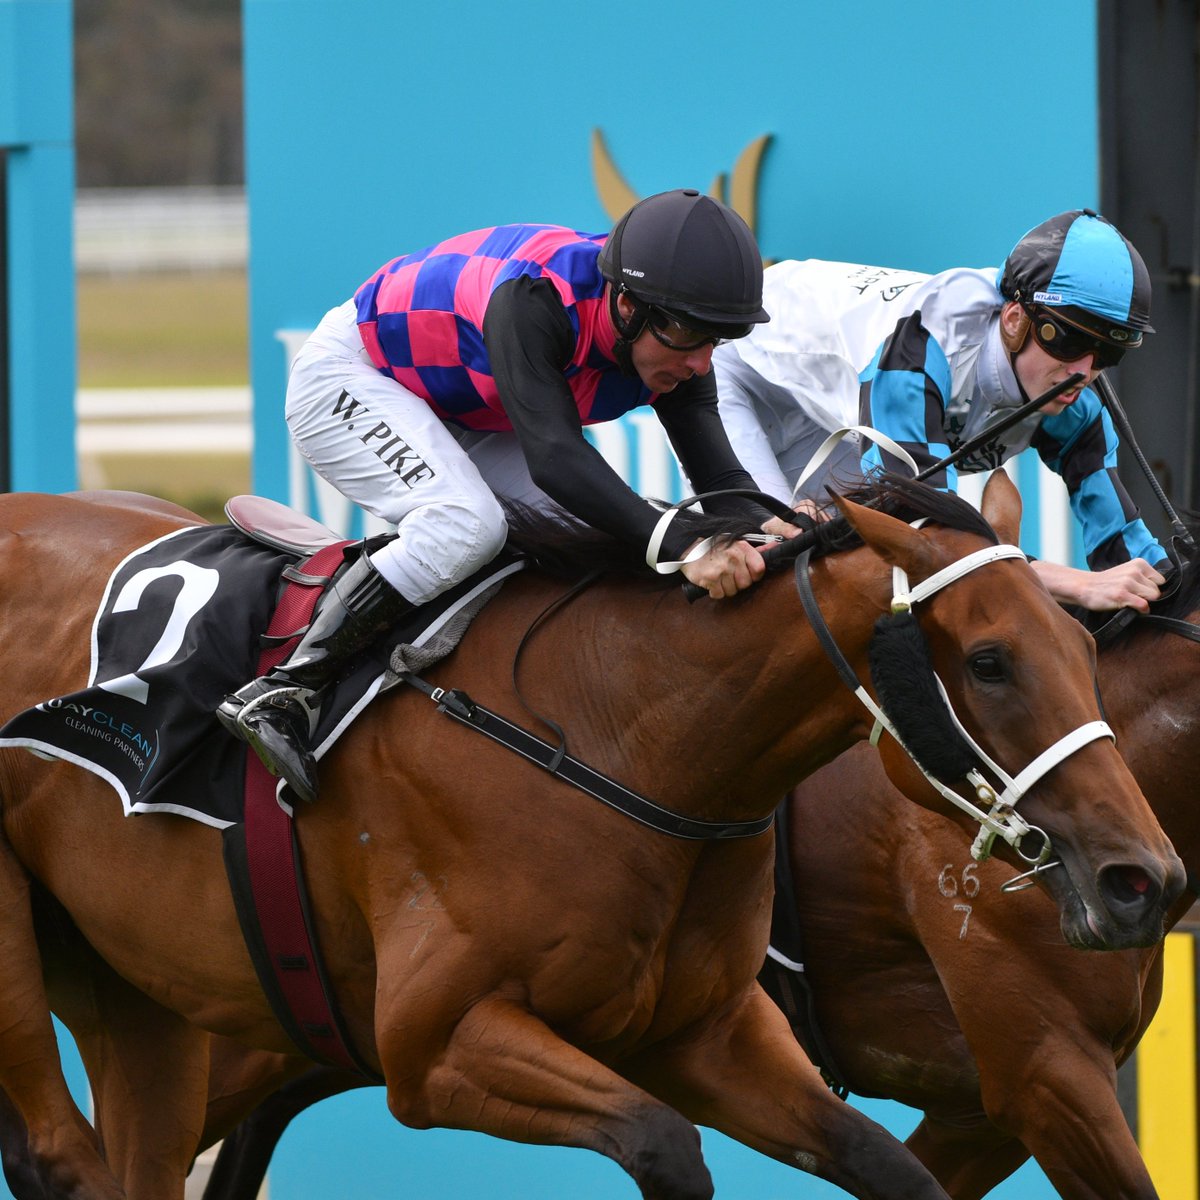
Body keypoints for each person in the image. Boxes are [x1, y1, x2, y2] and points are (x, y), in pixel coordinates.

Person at [217, 188, 795, 803]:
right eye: (690, 336)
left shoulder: (671, 347)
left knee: (595, 532)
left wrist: (780, 531)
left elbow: (725, 485)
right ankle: (285, 689)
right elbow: (555, 460)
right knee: (465, 526)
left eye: (717, 341)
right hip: (355, 375)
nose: (703, 363)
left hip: (465, 408)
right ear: (627, 306)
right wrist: (687, 545)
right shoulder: (535, 299)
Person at [713, 208, 1168, 614]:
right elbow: (930, 538)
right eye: (1068, 339)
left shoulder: (1070, 393)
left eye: (1108, 351)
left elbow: (1128, 552)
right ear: (1014, 320)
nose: (1084, 370)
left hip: (836, 415)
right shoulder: (922, 347)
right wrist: (1080, 586)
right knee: (777, 549)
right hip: (742, 370)